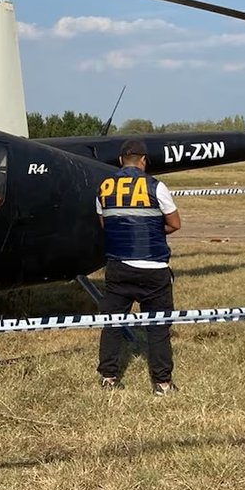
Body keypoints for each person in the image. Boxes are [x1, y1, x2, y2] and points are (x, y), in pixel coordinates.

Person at [95, 139, 182, 395]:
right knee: (158, 326)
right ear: (143, 161)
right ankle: (163, 384)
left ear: (121, 160)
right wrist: (151, 232)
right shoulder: (157, 186)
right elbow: (175, 223)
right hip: (154, 268)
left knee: (112, 323)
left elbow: (105, 224)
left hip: (118, 267)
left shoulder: (104, 187)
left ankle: (109, 377)